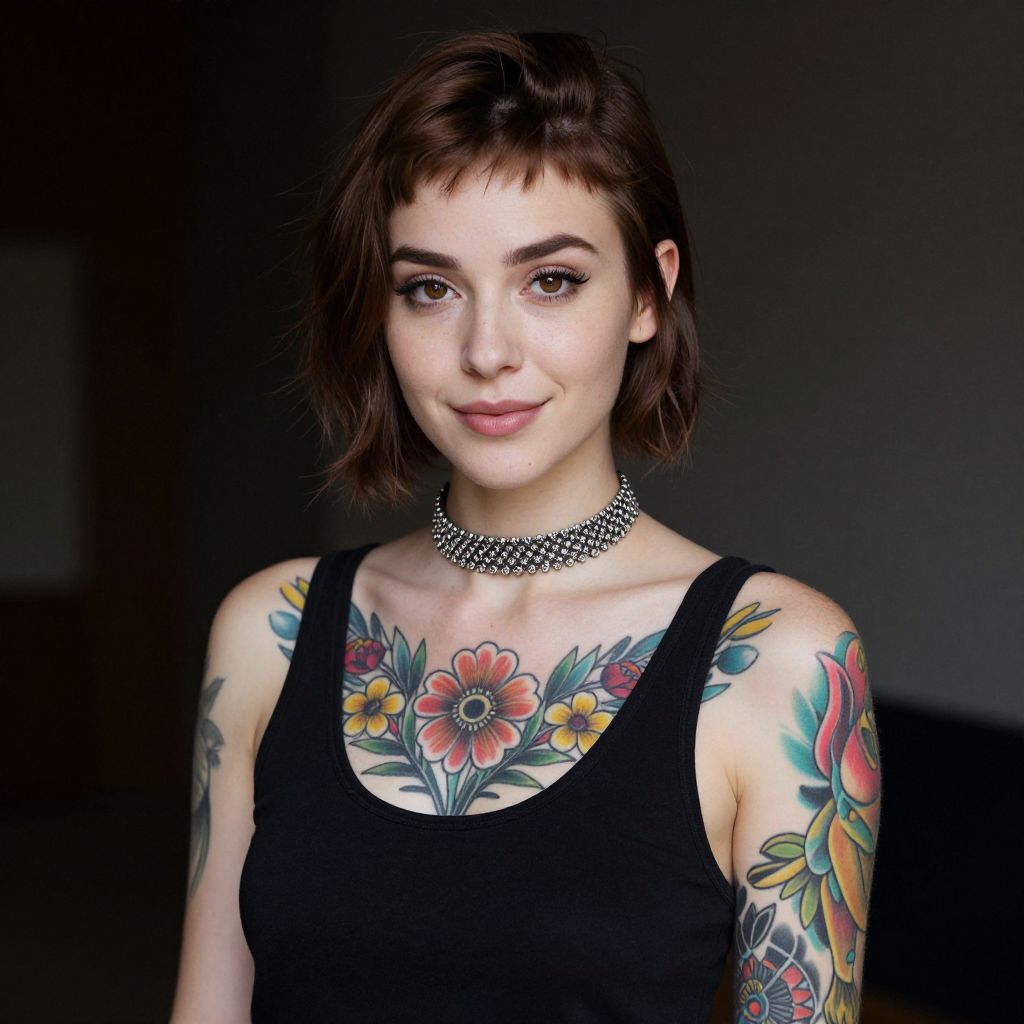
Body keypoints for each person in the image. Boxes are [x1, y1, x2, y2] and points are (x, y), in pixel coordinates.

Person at [170, 29, 882, 1024]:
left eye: (551, 279)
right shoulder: (270, 632)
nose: (486, 350)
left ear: (647, 290)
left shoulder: (779, 660)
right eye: (429, 288)